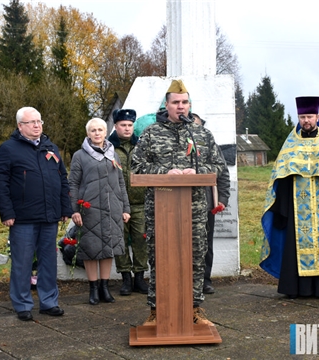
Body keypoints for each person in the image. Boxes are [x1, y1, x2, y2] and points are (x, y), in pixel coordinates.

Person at [131, 79, 226, 326]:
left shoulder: (202, 134)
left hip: (194, 209)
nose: (181, 107)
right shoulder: (151, 133)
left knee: (195, 257)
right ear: (167, 105)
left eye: (185, 102)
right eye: (176, 102)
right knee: (159, 257)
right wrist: (166, 171)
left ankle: (193, 309)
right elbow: (136, 167)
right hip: (160, 209)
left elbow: (218, 166)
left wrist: (198, 171)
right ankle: (156, 311)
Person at [260, 96, 319, 300]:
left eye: (310, 116)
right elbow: (280, 172)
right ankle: (296, 287)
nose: (306, 121)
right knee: (295, 243)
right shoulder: (291, 143)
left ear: (317, 116)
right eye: (302, 116)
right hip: (298, 205)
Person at [0, 106, 72, 321]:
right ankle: (22, 304)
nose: (37, 126)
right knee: (22, 262)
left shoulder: (51, 147)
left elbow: (62, 179)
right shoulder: (8, 149)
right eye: (31, 122)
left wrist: (65, 207)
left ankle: (49, 302)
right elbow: (0, 183)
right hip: (22, 218)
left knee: (48, 261)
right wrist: (6, 212)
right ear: (20, 126)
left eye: (39, 121)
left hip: (49, 216)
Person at [69, 117, 130, 305]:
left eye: (100, 130)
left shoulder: (114, 155)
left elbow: (121, 183)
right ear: (88, 133)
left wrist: (125, 208)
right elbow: (73, 183)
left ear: (106, 132)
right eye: (93, 130)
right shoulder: (79, 155)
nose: (97, 133)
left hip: (113, 208)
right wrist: (75, 210)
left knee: (108, 249)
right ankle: (93, 288)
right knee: (90, 249)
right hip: (89, 209)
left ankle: (105, 287)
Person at [107, 109, 149, 296]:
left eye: (130, 125)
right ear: (115, 126)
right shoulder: (108, 148)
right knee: (120, 241)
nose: (127, 128)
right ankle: (125, 278)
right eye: (123, 125)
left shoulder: (142, 146)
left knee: (141, 239)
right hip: (117, 203)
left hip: (140, 202)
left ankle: (139, 277)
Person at [191, 113, 231, 294]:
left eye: (197, 125)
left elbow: (222, 172)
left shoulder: (210, 145)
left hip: (205, 205)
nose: (193, 128)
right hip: (178, 205)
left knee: (205, 244)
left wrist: (222, 199)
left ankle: (204, 280)